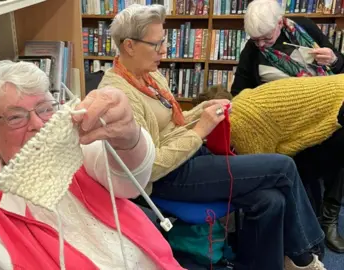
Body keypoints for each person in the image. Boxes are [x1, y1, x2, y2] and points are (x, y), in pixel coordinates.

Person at [0, 60, 184, 270]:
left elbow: (132, 181)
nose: (38, 124)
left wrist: (129, 135)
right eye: (16, 117)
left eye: (44, 109)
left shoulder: (80, 153)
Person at [98, 3, 326, 270]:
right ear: (129, 46)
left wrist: (200, 111)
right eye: (156, 44)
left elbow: (172, 124)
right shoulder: (119, 97)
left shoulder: (148, 74)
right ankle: (306, 255)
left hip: (190, 158)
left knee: (270, 201)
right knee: (284, 166)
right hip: (168, 177)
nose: (164, 50)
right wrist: (200, 130)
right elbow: (150, 166)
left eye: (164, 42)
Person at [231, 0, 344, 253]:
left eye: (266, 37)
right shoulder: (252, 50)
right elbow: (239, 94)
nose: (261, 44)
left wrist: (335, 60)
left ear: (280, 23)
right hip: (287, 127)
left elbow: (340, 73)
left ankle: (328, 219)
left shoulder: (304, 28)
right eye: (255, 39)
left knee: (340, 132)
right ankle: (311, 222)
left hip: (325, 113)